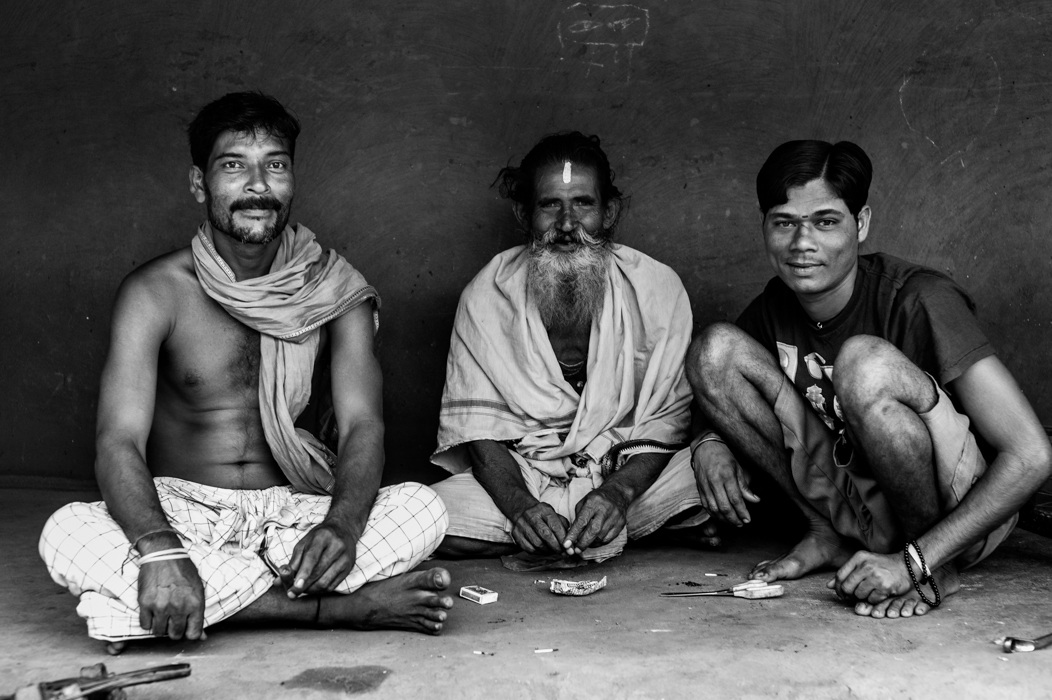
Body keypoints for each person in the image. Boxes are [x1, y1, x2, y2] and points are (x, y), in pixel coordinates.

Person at [39, 92, 452, 649]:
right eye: (234, 166)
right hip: (181, 510)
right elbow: (117, 440)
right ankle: (333, 607)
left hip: (292, 514)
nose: (258, 186)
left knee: (424, 509)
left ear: (291, 178)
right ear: (199, 183)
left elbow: (362, 426)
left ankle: (174, 603)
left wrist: (342, 526)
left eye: (275, 166)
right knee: (66, 531)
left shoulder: (334, 290)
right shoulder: (155, 292)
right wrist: (159, 547)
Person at [686, 139, 1052, 618]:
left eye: (825, 221)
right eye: (784, 223)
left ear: (860, 225)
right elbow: (721, 392)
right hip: (859, 505)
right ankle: (826, 532)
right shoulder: (776, 306)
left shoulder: (919, 299)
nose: (802, 244)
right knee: (714, 350)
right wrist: (707, 443)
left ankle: (932, 567)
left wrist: (915, 561)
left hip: (958, 518)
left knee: (863, 363)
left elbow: (1031, 455)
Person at [430, 132, 711, 564]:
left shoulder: (657, 287)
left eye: (583, 203)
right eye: (550, 205)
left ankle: (595, 525)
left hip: (624, 469)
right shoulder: (487, 295)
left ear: (609, 211)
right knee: (422, 514)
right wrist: (521, 508)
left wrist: (617, 493)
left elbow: (666, 424)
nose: (566, 225)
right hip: (528, 476)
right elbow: (480, 435)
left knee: (715, 477)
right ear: (524, 213)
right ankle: (635, 529)